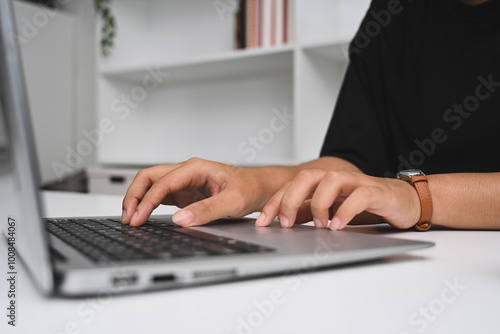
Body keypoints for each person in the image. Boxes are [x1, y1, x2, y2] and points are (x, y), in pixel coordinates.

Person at [122, 0, 500, 231]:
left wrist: (415, 197)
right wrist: (253, 185)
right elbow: (351, 160)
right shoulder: (391, 10)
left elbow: (394, 193)